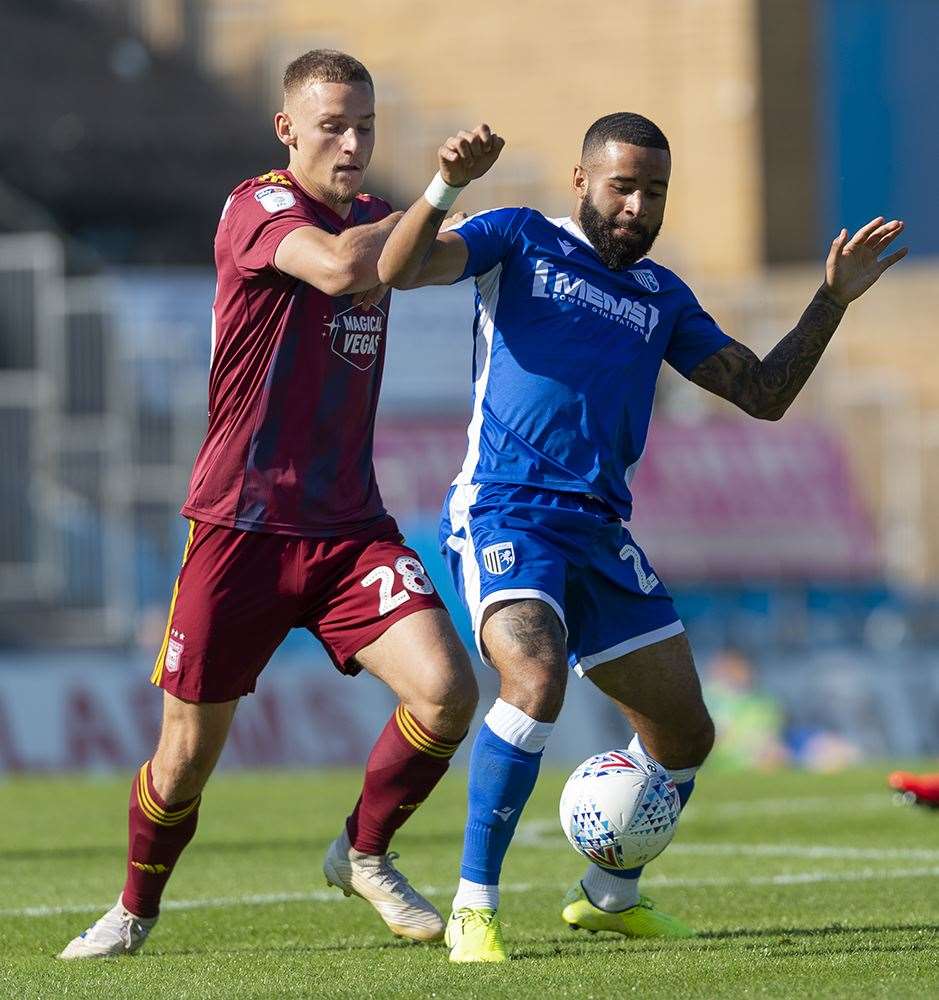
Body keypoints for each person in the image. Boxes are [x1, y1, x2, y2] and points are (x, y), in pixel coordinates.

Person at [378, 113, 907, 962]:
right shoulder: (517, 239)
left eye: (652, 191)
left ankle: (608, 896)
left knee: (686, 736)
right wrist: (445, 186)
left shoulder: (660, 297)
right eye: (621, 186)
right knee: (536, 675)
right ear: (582, 180)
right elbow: (396, 270)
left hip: (597, 532)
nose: (635, 205)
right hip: (505, 510)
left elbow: (764, 394)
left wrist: (830, 299)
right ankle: (475, 906)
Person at [59, 49, 478, 960]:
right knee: (183, 762)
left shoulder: (380, 216)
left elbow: (453, 260)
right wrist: (438, 193)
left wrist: (522, 237)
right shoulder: (259, 207)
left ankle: (363, 853)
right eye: (333, 124)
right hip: (239, 527)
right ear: (287, 128)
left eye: (365, 124)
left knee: (447, 694)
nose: (354, 142)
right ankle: (132, 910)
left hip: (347, 528)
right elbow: (337, 270)